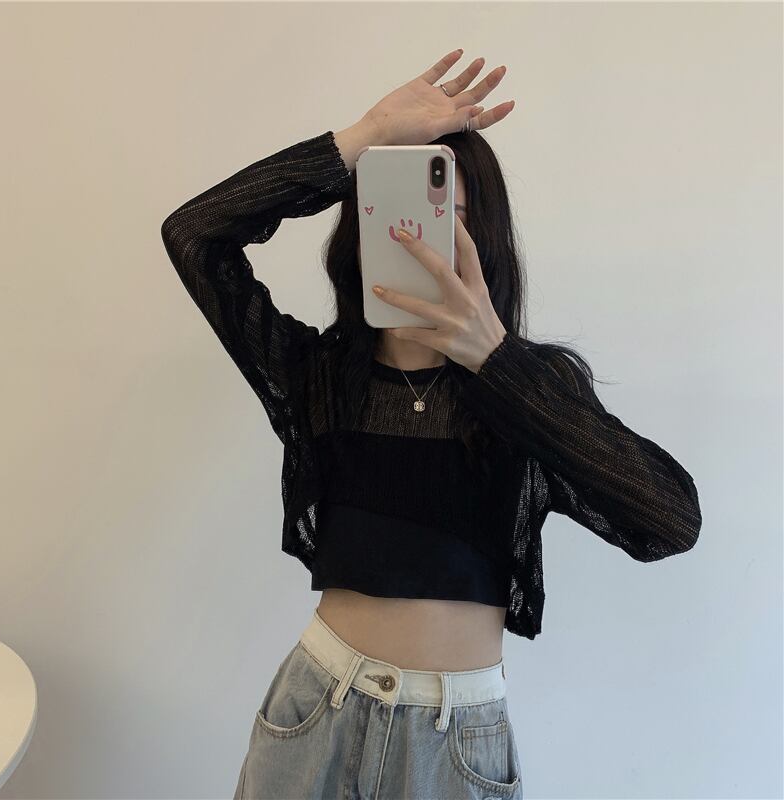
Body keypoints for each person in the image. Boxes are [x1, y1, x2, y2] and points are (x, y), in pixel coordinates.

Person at [160, 48, 702, 800]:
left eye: (453, 219)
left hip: (454, 747)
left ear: (488, 240)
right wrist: (362, 138)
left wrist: (496, 361)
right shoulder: (315, 376)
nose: (424, 240)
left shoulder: (529, 391)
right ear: (362, 230)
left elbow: (669, 521)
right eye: (399, 217)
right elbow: (194, 236)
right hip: (314, 714)